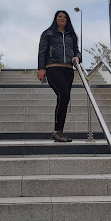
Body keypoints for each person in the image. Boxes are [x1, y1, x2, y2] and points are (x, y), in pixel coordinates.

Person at [37, 10, 82, 142]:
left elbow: (76, 50)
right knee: (64, 94)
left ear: (67, 20)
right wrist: (41, 68)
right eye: (60, 16)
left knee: (63, 98)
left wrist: (77, 57)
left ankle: (58, 131)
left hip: (68, 69)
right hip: (53, 68)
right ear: (55, 18)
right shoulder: (48, 33)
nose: (62, 18)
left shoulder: (72, 35)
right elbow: (42, 51)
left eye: (65, 17)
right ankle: (58, 131)